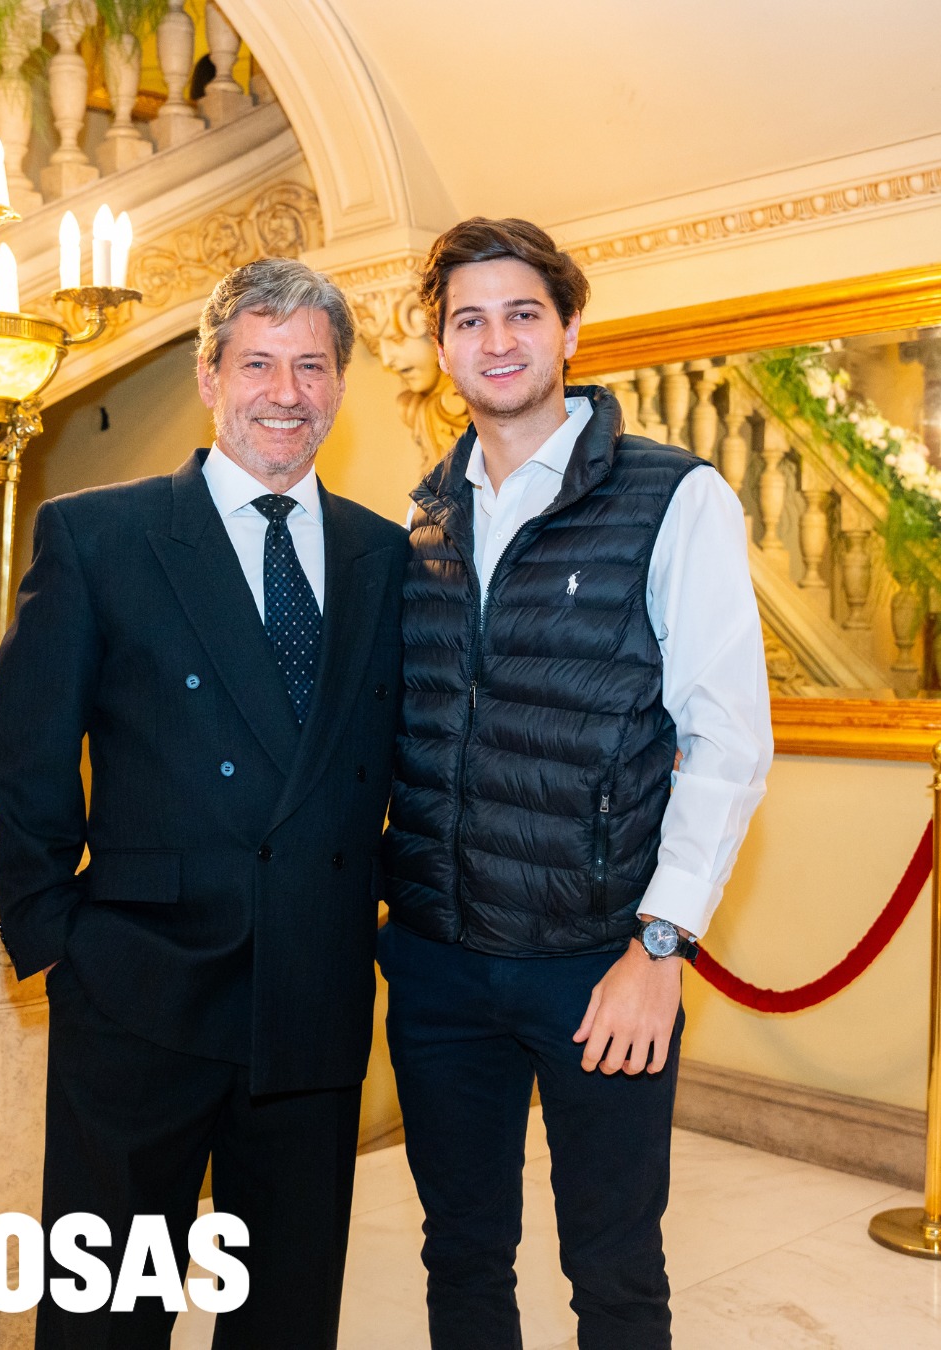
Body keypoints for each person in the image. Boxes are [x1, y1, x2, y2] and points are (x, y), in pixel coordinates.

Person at [0, 257, 408, 1350]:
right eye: (258, 362)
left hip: (311, 1000)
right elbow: (23, 756)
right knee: (107, 1317)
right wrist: (59, 942)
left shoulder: (381, 555)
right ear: (211, 376)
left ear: (341, 387)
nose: (285, 391)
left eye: (312, 366)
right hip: (137, 993)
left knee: (284, 1317)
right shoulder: (100, 536)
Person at [379, 217, 772, 1350]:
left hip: (599, 966)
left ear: (569, 331)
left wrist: (662, 949)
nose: (496, 340)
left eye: (522, 313)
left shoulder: (673, 498)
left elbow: (729, 739)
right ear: (440, 346)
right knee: (459, 1252)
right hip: (440, 963)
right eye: (468, 319)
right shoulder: (423, 516)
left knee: (611, 1271)